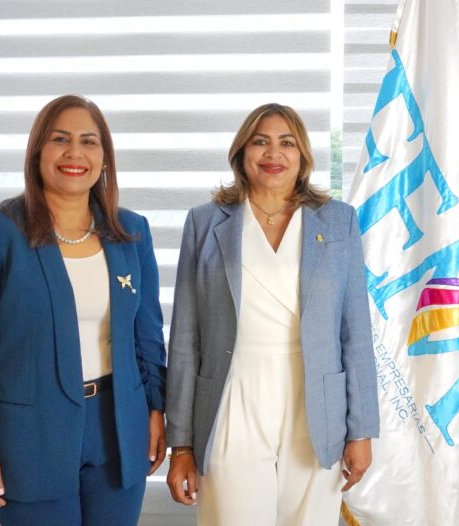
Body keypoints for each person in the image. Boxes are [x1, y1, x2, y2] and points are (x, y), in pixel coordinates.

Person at [0, 95, 167, 525]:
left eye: (88, 142)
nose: (74, 153)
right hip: (28, 439)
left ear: (104, 157)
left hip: (121, 429)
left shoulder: (131, 230)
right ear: (37, 151)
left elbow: (148, 333)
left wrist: (157, 410)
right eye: (60, 140)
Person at [165, 103, 379, 525]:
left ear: (303, 156)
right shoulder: (204, 223)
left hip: (316, 403)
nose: (273, 153)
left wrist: (362, 430)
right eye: (260, 141)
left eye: (287, 143)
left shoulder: (339, 222)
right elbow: (186, 338)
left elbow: (355, 332)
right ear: (241, 152)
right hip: (231, 398)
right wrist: (182, 444)